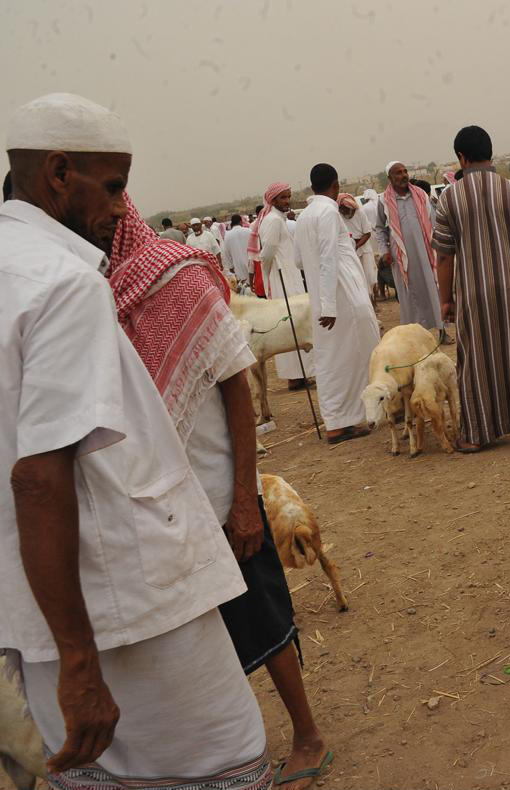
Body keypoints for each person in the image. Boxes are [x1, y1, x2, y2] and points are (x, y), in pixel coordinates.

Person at [1, 91, 268, 790]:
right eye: (113, 186)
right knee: (228, 757)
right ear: (58, 172)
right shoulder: (63, 283)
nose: (123, 208)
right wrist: (81, 663)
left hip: (37, 608)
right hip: (123, 607)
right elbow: (38, 475)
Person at [106, 193, 332, 788]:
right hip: (156, 504)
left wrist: (241, 500)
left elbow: (236, 383)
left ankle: (307, 734)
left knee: (260, 612)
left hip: (216, 489)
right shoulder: (94, 294)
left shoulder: (177, 277)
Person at [433, 126, 510, 452]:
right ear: (490, 152)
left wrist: (446, 300)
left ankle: (477, 434)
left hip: (473, 292)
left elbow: (444, 256)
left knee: (476, 360)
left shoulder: (449, 199)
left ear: (461, 157)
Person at [295, 163, 380, 444]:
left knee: (331, 359)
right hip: (341, 298)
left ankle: (338, 420)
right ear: (335, 186)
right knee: (358, 355)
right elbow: (329, 258)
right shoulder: (329, 212)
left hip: (323, 296)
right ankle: (349, 420)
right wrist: (330, 306)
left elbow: (298, 260)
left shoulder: (305, 215)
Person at [248, 182, 312, 389]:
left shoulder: (278, 219)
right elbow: (266, 253)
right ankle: (294, 376)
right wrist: (268, 276)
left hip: (288, 274)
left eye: (288, 197)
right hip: (282, 277)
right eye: (283, 198)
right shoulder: (273, 220)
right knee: (290, 325)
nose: (287, 201)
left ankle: (301, 373)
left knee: (296, 324)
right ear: (273, 200)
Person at [374, 161, 443, 332]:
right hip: (402, 259)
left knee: (432, 290)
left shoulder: (420, 195)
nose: (404, 175)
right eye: (398, 172)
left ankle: (442, 330)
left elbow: (434, 223)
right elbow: (380, 230)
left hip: (426, 254)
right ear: (390, 178)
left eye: (405, 171)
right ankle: (415, 334)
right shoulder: (383, 201)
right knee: (410, 297)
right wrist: (385, 252)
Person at [337, 192, 375, 292]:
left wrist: (356, 246)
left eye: (344, 208)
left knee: (369, 277)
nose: (342, 211)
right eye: (340, 208)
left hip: (364, 249)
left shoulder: (360, 213)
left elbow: (367, 233)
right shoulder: (339, 216)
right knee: (357, 279)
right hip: (350, 251)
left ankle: (373, 301)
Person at [222, 212, 251, 284]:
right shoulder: (248, 231)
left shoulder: (227, 235)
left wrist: (230, 267)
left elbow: (226, 252)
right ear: (241, 222)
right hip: (251, 263)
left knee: (244, 287)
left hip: (238, 265)